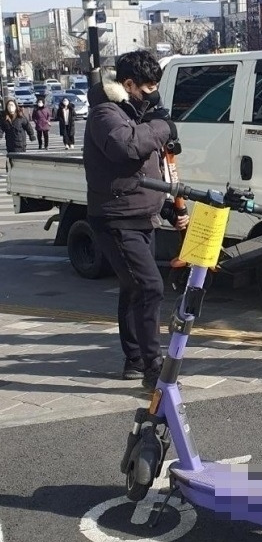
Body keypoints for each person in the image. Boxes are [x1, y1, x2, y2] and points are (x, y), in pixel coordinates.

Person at [83, 49, 188, 391]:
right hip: (115, 217)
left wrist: (169, 208)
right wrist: (160, 125)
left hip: (141, 214)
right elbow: (125, 148)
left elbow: (146, 170)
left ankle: (134, 358)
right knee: (148, 287)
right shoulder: (105, 112)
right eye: (147, 88)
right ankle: (152, 366)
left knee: (132, 290)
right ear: (128, 84)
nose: (152, 95)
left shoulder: (136, 110)